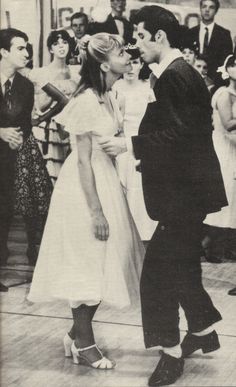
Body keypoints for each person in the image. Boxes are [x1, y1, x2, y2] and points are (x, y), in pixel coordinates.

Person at [99, 6, 227, 386]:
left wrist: (130, 145)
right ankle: (204, 331)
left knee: (155, 276)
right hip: (188, 191)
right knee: (183, 266)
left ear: (159, 37)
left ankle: (170, 353)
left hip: (183, 195)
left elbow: (182, 136)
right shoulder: (175, 73)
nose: (135, 45)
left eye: (139, 36)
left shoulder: (174, 76)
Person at [28, 33, 144, 369]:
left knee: (109, 261)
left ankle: (76, 333)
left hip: (106, 179)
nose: (129, 56)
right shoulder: (84, 101)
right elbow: (81, 160)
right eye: (123, 52)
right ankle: (85, 343)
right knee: (87, 261)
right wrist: (96, 211)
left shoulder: (110, 95)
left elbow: (109, 138)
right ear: (105, 63)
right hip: (84, 188)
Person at [113, 45, 157, 241]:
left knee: (140, 188)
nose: (131, 68)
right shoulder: (114, 88)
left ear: (141, 65)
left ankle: (143, 234)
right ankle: (122, 233)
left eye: (136, 63)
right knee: (121, 186)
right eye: (128, 63)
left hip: (143, 144)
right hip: (121, 143)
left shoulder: (149, 87)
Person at [0, 28, 34, 270]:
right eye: (19, 48)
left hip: (8, 160)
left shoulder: (25, 86)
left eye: (26, 47)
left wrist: (17, 138)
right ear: (3, 51)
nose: (26, 53)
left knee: (4, 211)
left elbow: (25, 125)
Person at [29, 30, 79, 185]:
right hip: (46, 129)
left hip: (69, 128)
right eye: (56, 44)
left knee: (68, 174)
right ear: (50, 49)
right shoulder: (40, 73)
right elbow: (38, 105)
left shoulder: (76, 73)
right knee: (48, 172)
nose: (61, 47)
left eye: (64, 42)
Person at [203, 54, 236, 264]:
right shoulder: (224, 93)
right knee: (224, 193)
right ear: (228, 70)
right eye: (234, 65)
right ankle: (209, 243)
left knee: (233, 197)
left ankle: (226, 244)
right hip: (223, 149)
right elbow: (228, 123)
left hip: (233, 147)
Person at [188, 0, 233, 86]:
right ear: (200, 9)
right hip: (191, 82)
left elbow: (227, 63)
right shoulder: (190, 33)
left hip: (216, 83)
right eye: (204, 6)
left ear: (216, 10)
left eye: (211, 7)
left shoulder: (224, 34)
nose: (207, 10)